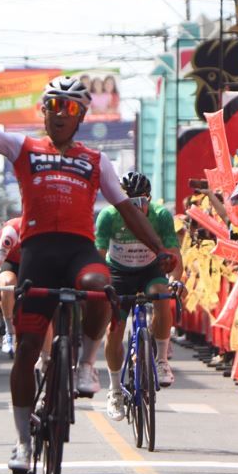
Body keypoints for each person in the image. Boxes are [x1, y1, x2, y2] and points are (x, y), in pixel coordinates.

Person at [0, 61, 176, 473]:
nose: (61, 113)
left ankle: (84, 366)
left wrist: (158, 248)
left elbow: (128, 211)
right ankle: (23, 443)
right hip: (38, 253)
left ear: (81, 117)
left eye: (70, 108)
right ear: (43, 111)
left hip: (78, 251)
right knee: (26, 350)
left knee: (99, 286)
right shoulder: (22, 147)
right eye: (54, 105)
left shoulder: (96, 160)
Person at [96, 172, 182, 421]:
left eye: (141, 200)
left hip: (150, 270)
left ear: (150, 199)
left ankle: (162, 358)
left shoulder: (161, 216)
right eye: (129, 200)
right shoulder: (109, 216)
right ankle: (114, 390)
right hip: (118, 273)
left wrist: (176, 279)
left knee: (162, 295)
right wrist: (99, 284)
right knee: (114, 328)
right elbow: (99, 254)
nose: (136, 206)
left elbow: (174, 255)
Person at [0, 215, 22, 357]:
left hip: (34, 263)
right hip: (11, 262)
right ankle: (9, 330)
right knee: (7, 283)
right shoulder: (12, 231)